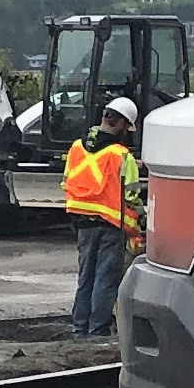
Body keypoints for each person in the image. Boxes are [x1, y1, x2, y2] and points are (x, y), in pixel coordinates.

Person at [64, 97, 139, 335]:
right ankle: (97, 331)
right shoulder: (121, 155)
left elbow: (67, 181)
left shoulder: (76, 147)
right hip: (109, 226)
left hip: (82, 223)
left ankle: (79, 329)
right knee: (105, 280)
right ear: (123, 125)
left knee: (85, 278)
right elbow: (132, 196)